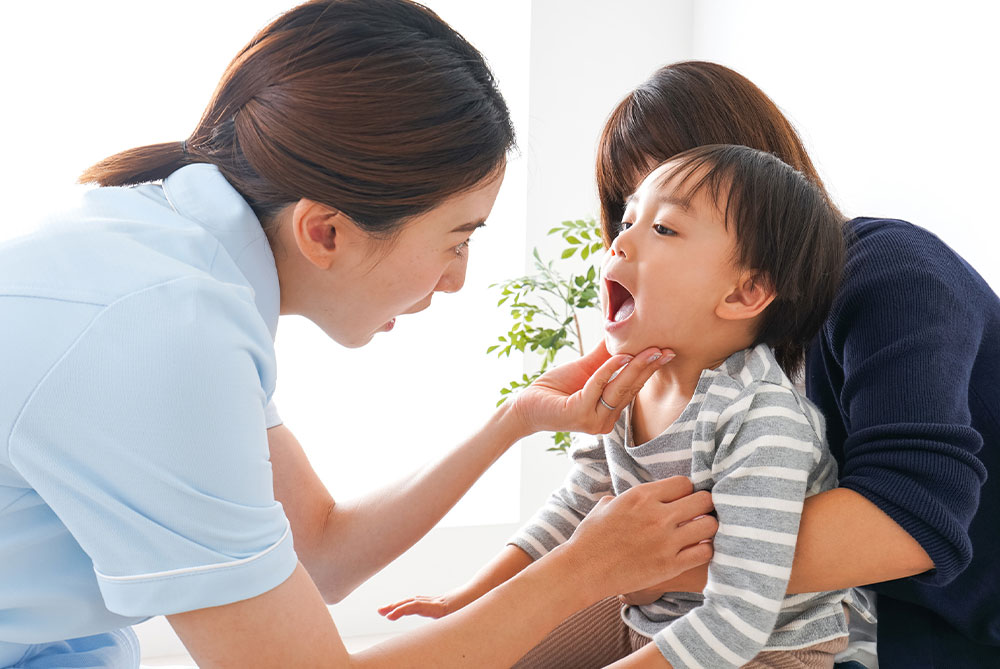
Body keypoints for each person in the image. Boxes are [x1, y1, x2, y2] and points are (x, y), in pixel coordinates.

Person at [0, 5, 720, 667]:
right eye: (456, 238)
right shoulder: (159, 335)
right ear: (325, 230)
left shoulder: (171, 264)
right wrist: (583, 569)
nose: (457, 279)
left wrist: (516, 420)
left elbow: (319, 551)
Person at [381, 143, 868, 668]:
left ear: (744, 293)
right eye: (628, 219)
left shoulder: (763, 421)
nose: (620, 240)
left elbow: (737, 620)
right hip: (651, 623)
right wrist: (464, 602)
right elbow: (575, 508)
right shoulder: (626, 385)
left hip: (765, 652)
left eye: (663, 229)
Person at [586, 61, 996, 668]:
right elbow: (606, 496)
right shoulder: (702, 340)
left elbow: (909, 519)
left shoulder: (892, 273)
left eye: (672, 219)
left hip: (942, 628)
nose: (635, 238)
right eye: (629, 210)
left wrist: (644, 566)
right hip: (808, 610)